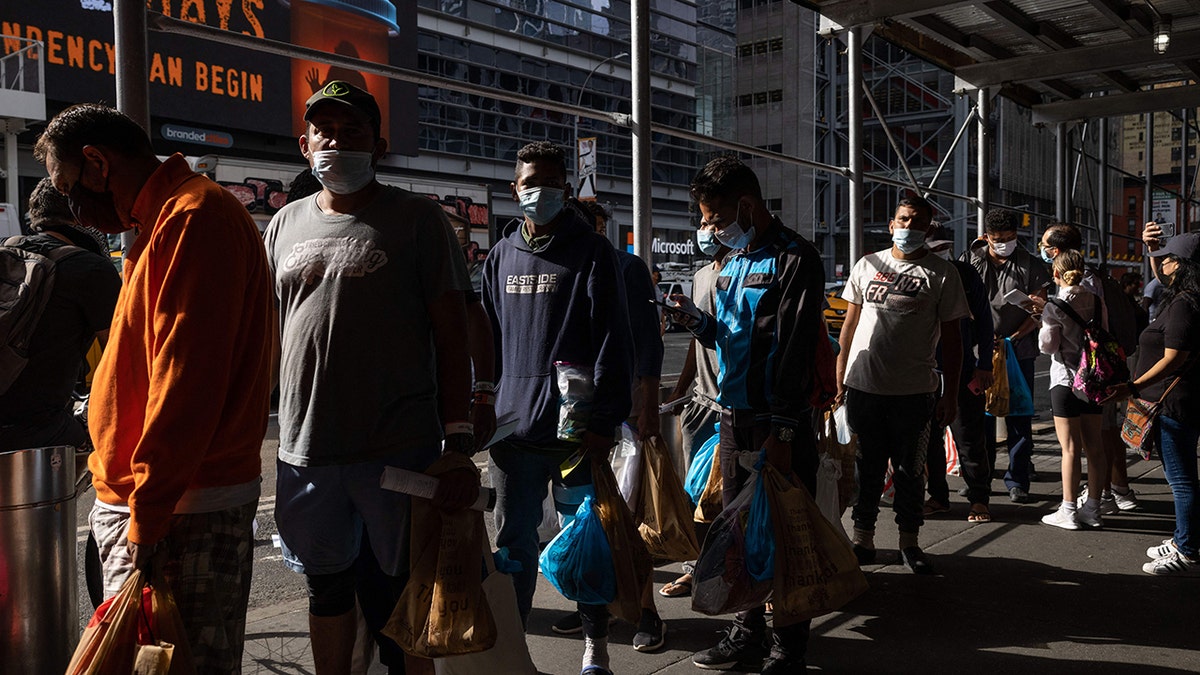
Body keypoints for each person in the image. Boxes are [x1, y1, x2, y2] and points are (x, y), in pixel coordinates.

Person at [35, 103, 273, 672]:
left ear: (96, 163)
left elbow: (186, 379)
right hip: (160, 501)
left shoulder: (194, 217)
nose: (74, 208)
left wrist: (148, 513)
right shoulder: (161, 219)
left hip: (179, 508)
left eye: (68, 188)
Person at [265, 81, 478, 675]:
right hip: (305, 451)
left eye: (352, 130)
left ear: (379, 146)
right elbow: (264, 334)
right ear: (303, 145)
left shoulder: (418, 220)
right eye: (324, 130)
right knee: (326, 589)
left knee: (400, 595)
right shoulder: (282, 225)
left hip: (397, 453)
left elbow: (452, 332)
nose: (336, 141)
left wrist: (457, 440)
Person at [481, 141, 634, 675]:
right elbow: (488, 337)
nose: (537, 192)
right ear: (514, 188)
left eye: (549, 182)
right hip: (512, 434)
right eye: (529, 182)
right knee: (514, 542)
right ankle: (514, 648)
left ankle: (596, 644)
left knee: (585, 535)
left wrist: (606, 420)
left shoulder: (591, 251)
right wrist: (481, 402)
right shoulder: (500, 256)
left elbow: (616, 338)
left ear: (566, 190)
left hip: (575, 434)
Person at [667, 156, 825, 673]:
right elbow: (727, 338)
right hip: (732, 419)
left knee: (780, 530)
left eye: (713, 216)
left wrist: (782, 429)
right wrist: (694, 322)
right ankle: (746, 631)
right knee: (736, 532)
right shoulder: (732, 263)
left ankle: (788, 647)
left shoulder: (794, 258)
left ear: (747, 205)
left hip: (779, 423)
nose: (708, 227)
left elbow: (796, 349)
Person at [549, 199, 666, 653]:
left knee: (627, 516)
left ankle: (645, 611)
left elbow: (647, 341)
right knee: (579, 515)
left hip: (621, 414)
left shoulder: (626, 267)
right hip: (570, 417)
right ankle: (590, 605)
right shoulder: (558, 266)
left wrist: (648, 404)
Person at [837, 197, 968, 574]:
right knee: (867, 468)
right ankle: (863, 539)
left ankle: (909, 542)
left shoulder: (942, 274)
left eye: (918, 222)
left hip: (914, 392)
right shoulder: (867, 265)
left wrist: (951, 394)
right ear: (891, 224)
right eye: (903, 219)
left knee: (911, 471)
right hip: (863, 387)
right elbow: (849, 325)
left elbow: (953, 340)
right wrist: (840, 372)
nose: (909, 227)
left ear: (928, 229)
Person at [0, 177, 120, 454]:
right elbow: (123, 359)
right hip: (38, 431)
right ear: (82, 216)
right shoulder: (91, 269)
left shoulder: (4, 249)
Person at [1104, 231, 1200, 575]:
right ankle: (1182, 539)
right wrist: (1151, 249)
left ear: (1184, 266)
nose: (1163, 263)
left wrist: (1133, 386)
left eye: (1169, 257)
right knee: (1183, 475)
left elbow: (1174, 356)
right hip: (1180, 400)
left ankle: (1187, 551)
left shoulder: (1185, 304)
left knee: (1181, 479)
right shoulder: (1186, 298)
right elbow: (1161, 271)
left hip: (1171, 402)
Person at [1034, 223, 1141, 514]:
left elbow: (1049, 346)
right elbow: (1100, 328)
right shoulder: (1096, 286)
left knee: (1077, 445)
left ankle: (1093, 499)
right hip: (1101, 373)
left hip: (1073, 376)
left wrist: (1045, 317)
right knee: (1100, 437)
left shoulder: (1066, 296)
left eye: (1044, 245)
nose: (1041, 249)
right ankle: (1099, 500)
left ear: (1055, 254)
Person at [659, 222, 729, 598]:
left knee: (731, 497)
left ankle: (736, 571)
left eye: (713, 222)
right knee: (695, 495)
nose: (706, 231)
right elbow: (697, 341)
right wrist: (683, 387)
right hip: (701, 403)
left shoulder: (743, 270)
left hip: (735, 405)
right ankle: (695, 566)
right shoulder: (701, 275)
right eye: (701, 223)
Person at [963, 209, 1051, 504]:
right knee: (978, 418)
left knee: (1019, 418)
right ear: (986, 236)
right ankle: (979, 478)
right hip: (978, 351)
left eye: (1010, 238)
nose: (1004, 243)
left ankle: (1017, 479)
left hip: (1018, 350)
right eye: (998, 239)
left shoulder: (1031, 264)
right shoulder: (970, 260)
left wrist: (1015, 336)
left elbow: (1039, 310)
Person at [922, 225, 995, 524]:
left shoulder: (965, 274)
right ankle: (938, 496)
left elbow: (985, 322)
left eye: (944, 247)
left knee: (969, 437)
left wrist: (985, 365)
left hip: (964, 369)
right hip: (922, 371)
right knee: (928, 440)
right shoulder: (913, 275)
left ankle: (979, 499)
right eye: (935, 247)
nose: (941, 252)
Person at [1037, 249, 1109, 530]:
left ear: (1056, 274)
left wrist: (1040, 318)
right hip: (1093, 380)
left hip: (1066, 380)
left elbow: (1048, 347)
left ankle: (1068, 510)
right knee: (1095, 447)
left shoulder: (1053, 305)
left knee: (1069, 449)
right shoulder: (1097, 300)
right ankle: (1093, 508)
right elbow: (1103, 333)